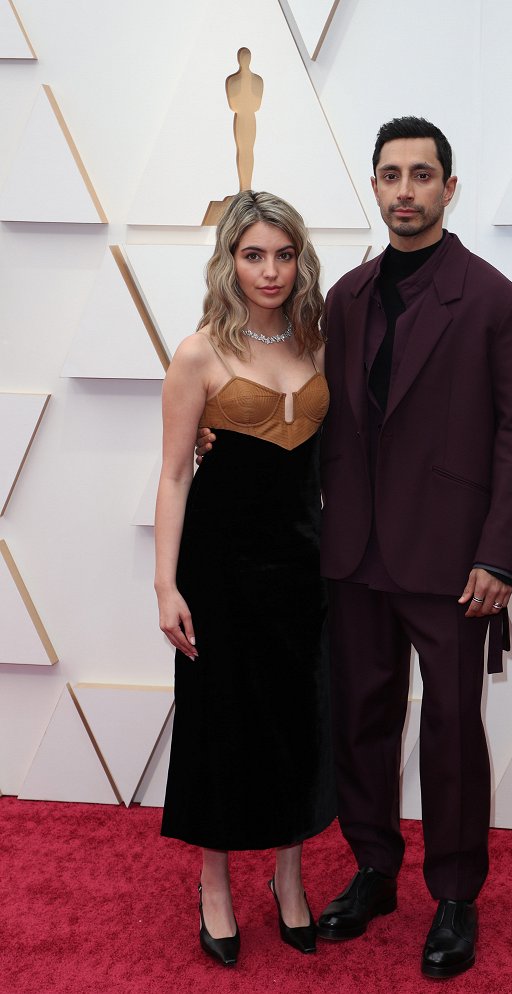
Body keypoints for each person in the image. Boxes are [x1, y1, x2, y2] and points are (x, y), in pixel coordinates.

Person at [198, 116, 512, 979]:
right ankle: (374, 870)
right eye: (389, 175)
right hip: (349, 554)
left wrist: (498, 556)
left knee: (452, 735)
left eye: (421, 175)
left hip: (454, 564)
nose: (404, 192)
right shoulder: (342, 300)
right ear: (375, 186)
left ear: (448, 189)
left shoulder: (495, 301)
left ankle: (455, 897)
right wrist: (220, 437)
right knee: (358, 723)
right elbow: (298, 398)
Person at [155, 190, 335, 967]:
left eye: (284, 254)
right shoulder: (199, 352)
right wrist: (166, 587)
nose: (270, 270)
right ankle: (216, 883)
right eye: (253, 254)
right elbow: (170, 477)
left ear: (301, 261)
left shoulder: (319, 341)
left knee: (298, 721)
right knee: (220, 723)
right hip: (220, 570)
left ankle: (289, 880)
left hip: (304, 566)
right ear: (229, 259)